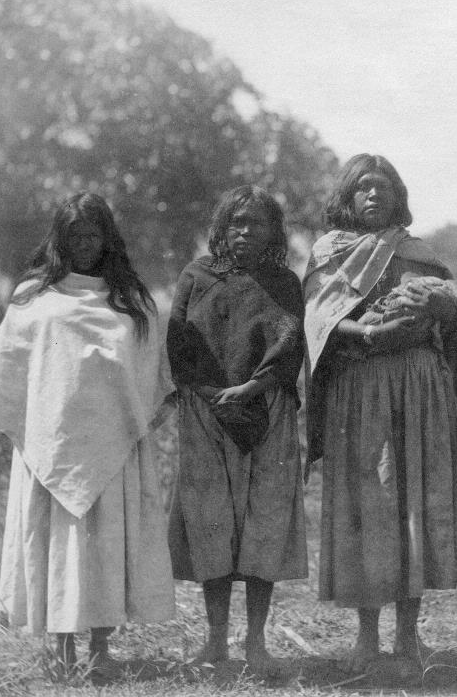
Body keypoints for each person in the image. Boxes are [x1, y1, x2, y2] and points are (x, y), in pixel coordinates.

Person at [0, 192, 175, 678]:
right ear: (60, 240)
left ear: (108, 238)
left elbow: (148, 368)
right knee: (58, 543)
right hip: (54, 443)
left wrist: (132, 418)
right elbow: (11, 364)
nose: (85, 244)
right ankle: (62, 648)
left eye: (93, 234)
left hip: (112, 441)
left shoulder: (131, 301)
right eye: (75, 235)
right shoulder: (34, 298)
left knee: (105, 542)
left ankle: (101, 649)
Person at [303, 154, 457, 670]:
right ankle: (365, 636)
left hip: (419, 389)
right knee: (370, 503)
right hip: (360, 385)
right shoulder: (330, 253)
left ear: (398, 196)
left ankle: (407, 636)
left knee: (412, 503)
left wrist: (439, 307)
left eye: (383, 187)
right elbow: (318, 320)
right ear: (348, 198)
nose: (374, 195)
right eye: (363, 187)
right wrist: (371, 333)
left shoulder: (419, 253)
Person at [166, 185, 307, 674]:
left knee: (263, 525)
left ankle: (256, 643)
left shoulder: (284, 282)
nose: (244, 232)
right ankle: (215, 640)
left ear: (273, 232)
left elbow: (290, 346)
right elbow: (178, 342)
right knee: (213, 525)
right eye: (236, 222)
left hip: (267, 409)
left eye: (256, 223)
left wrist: (250, 388)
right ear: (221, 228)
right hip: (205, 413)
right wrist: (209, 392)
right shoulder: (196, 276)